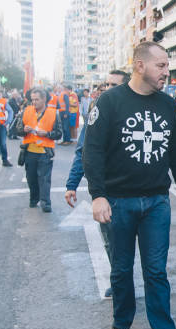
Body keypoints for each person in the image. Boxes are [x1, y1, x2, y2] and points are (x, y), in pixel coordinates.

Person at [83, 42, 176, 329]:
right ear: (139, 66)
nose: (167, 72)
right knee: (121, 270)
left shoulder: (168, 105)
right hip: (117, 202)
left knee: (156, 272)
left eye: (167, 66)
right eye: (161, 66)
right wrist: (98, 195)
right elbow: (93, 151)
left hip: (156, 203)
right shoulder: (109, 101)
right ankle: (121, 323)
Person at [65, 70, 130, 299]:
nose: (107, 89)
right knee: (112, 242)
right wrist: (72, 184)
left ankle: (125, 280)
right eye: (106, 85)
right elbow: (83, 152)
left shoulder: (136, 109)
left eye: (113, 85)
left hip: (135, 190)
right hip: (107, 191)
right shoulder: (97, 112)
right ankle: (120, 282)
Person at [15, 88, 63, 212]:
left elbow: (59, 134)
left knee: (44, 179)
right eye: (32, 100)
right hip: (29, 151)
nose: (34, 102)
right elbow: (18, 130)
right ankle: (34, 199)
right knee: (31, 178)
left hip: (45, 152)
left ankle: (45, 203)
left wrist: (47, 134)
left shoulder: (53, 113)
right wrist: (23, 130)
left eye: (36, 99)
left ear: (44, 99)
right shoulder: (26, 111)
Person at [0, 87, 14, 167]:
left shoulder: (3, 101)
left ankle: (5, 160)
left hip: (1, 125)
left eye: (0, 91)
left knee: (3, 143)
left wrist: (8, 122)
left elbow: (10, 111)